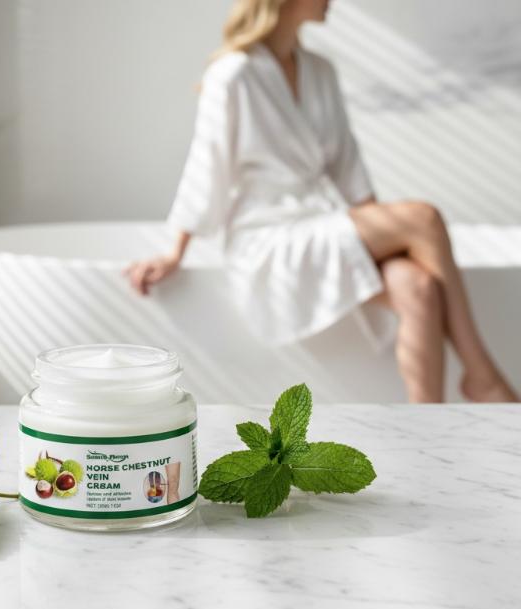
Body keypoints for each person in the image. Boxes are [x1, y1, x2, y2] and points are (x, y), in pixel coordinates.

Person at [124, 0, 519, 403]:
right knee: (424, 217)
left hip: (321, 223)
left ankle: (428, 421)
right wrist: (174, 253)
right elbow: (207, 164)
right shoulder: (233, 74)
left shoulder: (320, 71)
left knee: (418, 286)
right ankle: (482, 375)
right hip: (267, 238)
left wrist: (387, 242)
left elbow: (350, 171)